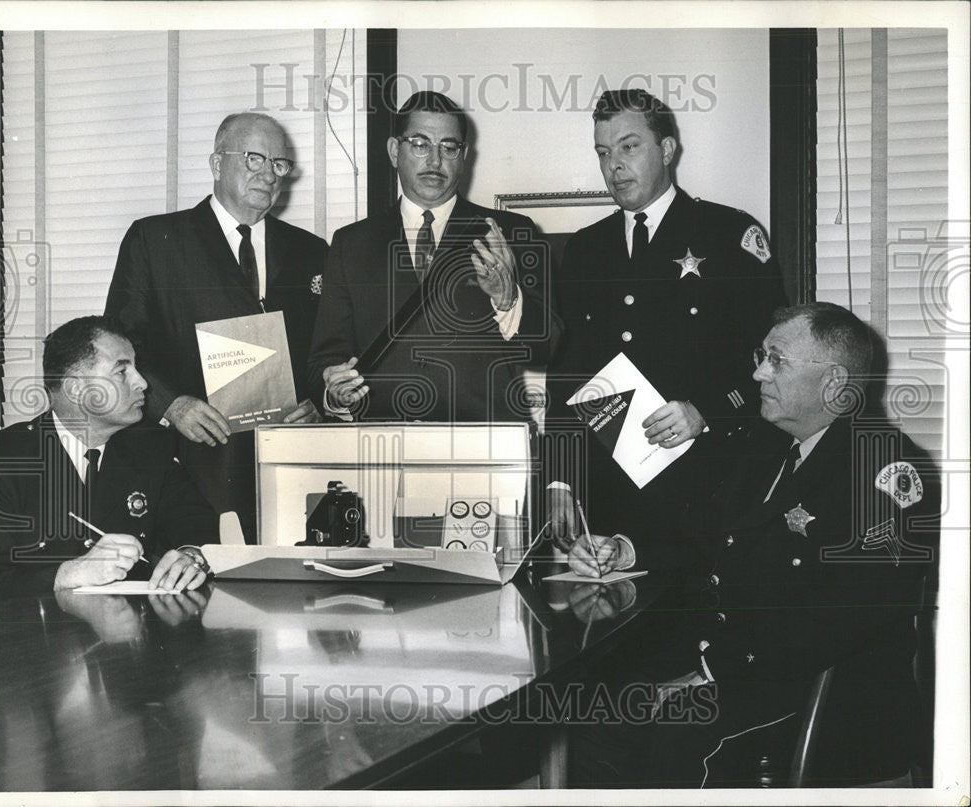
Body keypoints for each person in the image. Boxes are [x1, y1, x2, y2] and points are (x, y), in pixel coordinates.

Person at [566, 302, 939, 787]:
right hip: (745, 668)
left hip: (826, 702)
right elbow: (705, 533)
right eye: (761, 356)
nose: (759, 372)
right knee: (587, 717)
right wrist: (622, 549)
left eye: (777, 360)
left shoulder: (885, 471)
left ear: (834, 382)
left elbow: (837, 622)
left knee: (671, 734)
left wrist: (708, 671)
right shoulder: (766, 445)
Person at [544, 88, 787, 553]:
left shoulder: (728, 234)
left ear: (667, 150)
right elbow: (567, 372)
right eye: (603, 152)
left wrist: (706, 411)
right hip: (607, 490)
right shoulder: (584, 250)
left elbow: (773, 359)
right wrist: (560, 479)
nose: (614, 165)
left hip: (706, 486)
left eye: (629, 147)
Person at [105, 112, 327, 541]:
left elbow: (327, 347)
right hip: (190, 465)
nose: (268, 174)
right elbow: (122, 344)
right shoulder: (155, 240)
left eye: (279, 164)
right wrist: (171, 405)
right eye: (253, 159)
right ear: (216, 164)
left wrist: (316, 402)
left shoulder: (311, 251)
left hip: (286, 465)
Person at [307, 91, 554, 422]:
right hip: (384, 449)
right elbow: (325, 360)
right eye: (420, 145)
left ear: (464, 156)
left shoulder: (509, 232)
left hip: (486, 450)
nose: (435, 161)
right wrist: (335, 396)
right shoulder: (351, 244)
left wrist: (509, 300)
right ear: (395, 151)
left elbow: (549, 348)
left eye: (449, 148)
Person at [0, 316, 219, 592]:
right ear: (75, 388)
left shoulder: (150, 449)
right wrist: (66, 574)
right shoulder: (3, 458)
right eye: (122, 372)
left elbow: (194, 519)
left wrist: (191, 554)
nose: (142, 383)